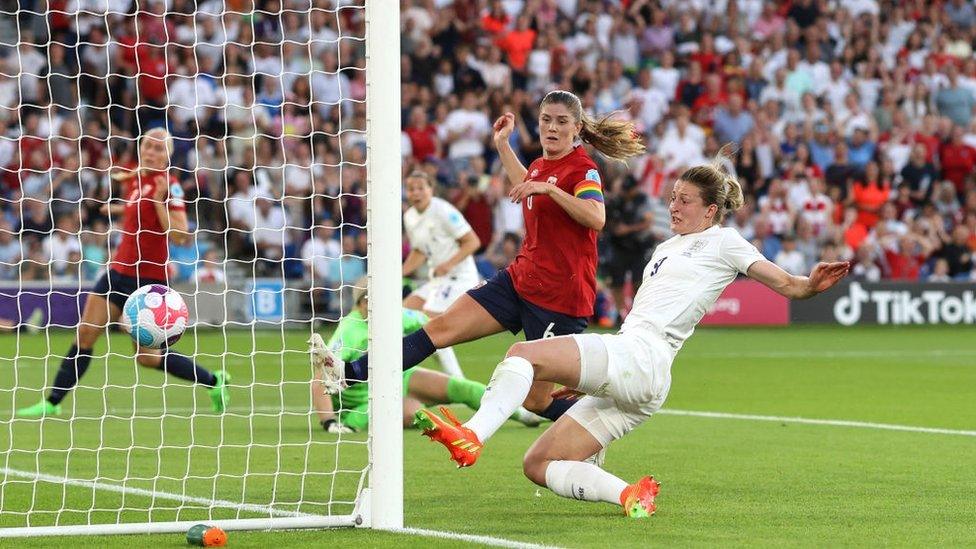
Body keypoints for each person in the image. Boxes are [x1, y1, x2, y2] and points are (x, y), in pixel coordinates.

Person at [414, 149, 850, 518]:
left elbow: (788, 284)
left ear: (711, 211)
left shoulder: (724, 241)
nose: (673, 206)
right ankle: (629, 494)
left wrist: (810, 285)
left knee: (524, 354)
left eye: (684, 201)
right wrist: (586, 376)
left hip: (644, 356)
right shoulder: (664, 247)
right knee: (537, 462)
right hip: (640, 374)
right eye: (672, 197)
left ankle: (471, 434)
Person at [312, 89, 644, 424]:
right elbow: (527, 184)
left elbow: (596, 216)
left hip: (559, 299)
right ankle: (350, 372)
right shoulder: (542, 166)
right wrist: (502, 145)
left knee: (536, 403)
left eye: (561, 122)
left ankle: (604, 417)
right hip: (519, 282)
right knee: (440, 329)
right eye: (546, 120)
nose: (552, 128)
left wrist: (551, 190)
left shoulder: (583, 170)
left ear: (576, 128)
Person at [16, 128, 230, 418]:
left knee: (147, 358)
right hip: (118, 272)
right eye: (148, 146)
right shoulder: (135, 179)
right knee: (85, 334)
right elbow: (139, 213)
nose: (152, 152)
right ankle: (52, 402)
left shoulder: (170, 185)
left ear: (168, 155)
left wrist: (158, 201)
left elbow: (180, 235)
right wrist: (116, 210)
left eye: (158, 148)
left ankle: (214, 381)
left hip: (149, 283)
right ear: (141, 149)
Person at [309, 281, 540, 433]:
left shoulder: (397, 314)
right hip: (361, 399)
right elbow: (322, 373)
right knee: (416, 415)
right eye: (367, 299)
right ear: (359, 303)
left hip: (401, 377)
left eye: (378, 297)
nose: (373, 303)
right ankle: (351, 422)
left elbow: (433, 326)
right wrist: (328, 421)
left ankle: (523, 414)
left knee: (462, 388)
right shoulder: (349, 329)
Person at [401, 171, 482, 378]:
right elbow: (419, 251)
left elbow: (472, 241)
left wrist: (448, 264)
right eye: (412, 188)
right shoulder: (409, 217)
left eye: (421, 188)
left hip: (459, 277)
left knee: (430, 326)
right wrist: (399, 273)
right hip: (436, 279)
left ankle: (458, 382)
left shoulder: (444, 211)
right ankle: (403, 374)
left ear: (431, 189)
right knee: (402, 314)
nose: (416, 193)